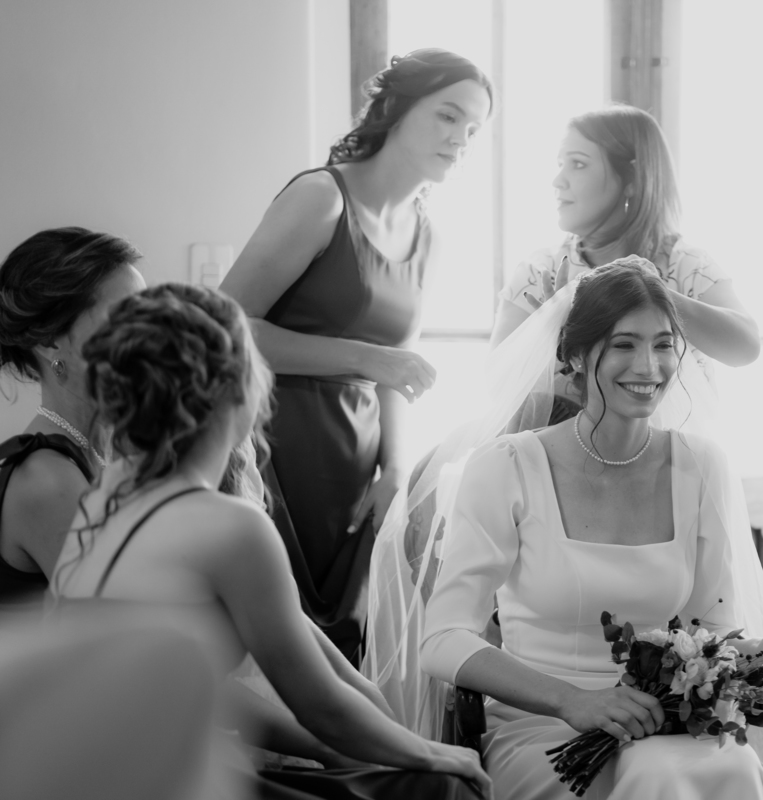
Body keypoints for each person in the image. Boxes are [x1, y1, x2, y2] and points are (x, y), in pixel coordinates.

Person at [51, 283, 491, 799]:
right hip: (166, 782)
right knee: (443, 787)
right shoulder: (227, 526)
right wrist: (435, 753)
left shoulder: (98, 507)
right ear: (241, 391)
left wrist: (377, 717)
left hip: (83, 773)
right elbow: (319, 707)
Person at [420, 261, 763, 800]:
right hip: (547, 730)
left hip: (669, 726)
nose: (649, 365)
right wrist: (573, 701)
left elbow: (712, 632)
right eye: (624, 345)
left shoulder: (701, 465)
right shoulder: (506, 466)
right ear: (574, 356)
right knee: (665, 776)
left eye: (664, 345)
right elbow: (443, 639)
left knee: (725, 768)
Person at [220, 48, 493, 665]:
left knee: (343, 652)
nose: (461, 139)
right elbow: (226, 325)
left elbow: (401, 368)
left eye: (473, 130)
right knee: (268, 642)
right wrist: (367, 360)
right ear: (396, 110)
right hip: (272, 454)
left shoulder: (428, 237)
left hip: (356, 474)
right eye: (448, 117)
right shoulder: (321, 198)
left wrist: (395, 469)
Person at [491, 104, 760, 406]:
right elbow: (498, 386)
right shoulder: (541, 270)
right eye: (560, 164)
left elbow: (746, 348)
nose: (558, 180)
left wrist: (652, 292)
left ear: (632, 178)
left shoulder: (687, 266)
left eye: (578, 164)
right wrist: (556, 331)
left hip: (671, 451)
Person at [0, 227, 145, 604]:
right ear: (50, 342)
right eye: (124, 317)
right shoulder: (46, 482)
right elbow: (129, 629)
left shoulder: (117, 451)